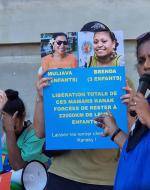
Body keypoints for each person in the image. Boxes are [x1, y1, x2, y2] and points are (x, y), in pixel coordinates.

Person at [34, 21, 122, 190]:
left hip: (104, 178)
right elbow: (39, 132)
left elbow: (129, 135)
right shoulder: (59, 78)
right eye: (90, 42)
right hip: (64, 173)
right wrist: (41, 98)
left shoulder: (122, 81)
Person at [94, 32, 150, 190]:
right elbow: (138, 153)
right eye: (141, 60)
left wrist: (148, 116)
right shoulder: (146, 103)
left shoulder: (145, 109)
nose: (146, 66)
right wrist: (114, 131)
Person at [0, 89, 49, 171]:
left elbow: (18, 166)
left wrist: (10, 131)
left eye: (14, 126)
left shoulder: (35, 135)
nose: (10, 127)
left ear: (23, 115)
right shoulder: (4, 136)